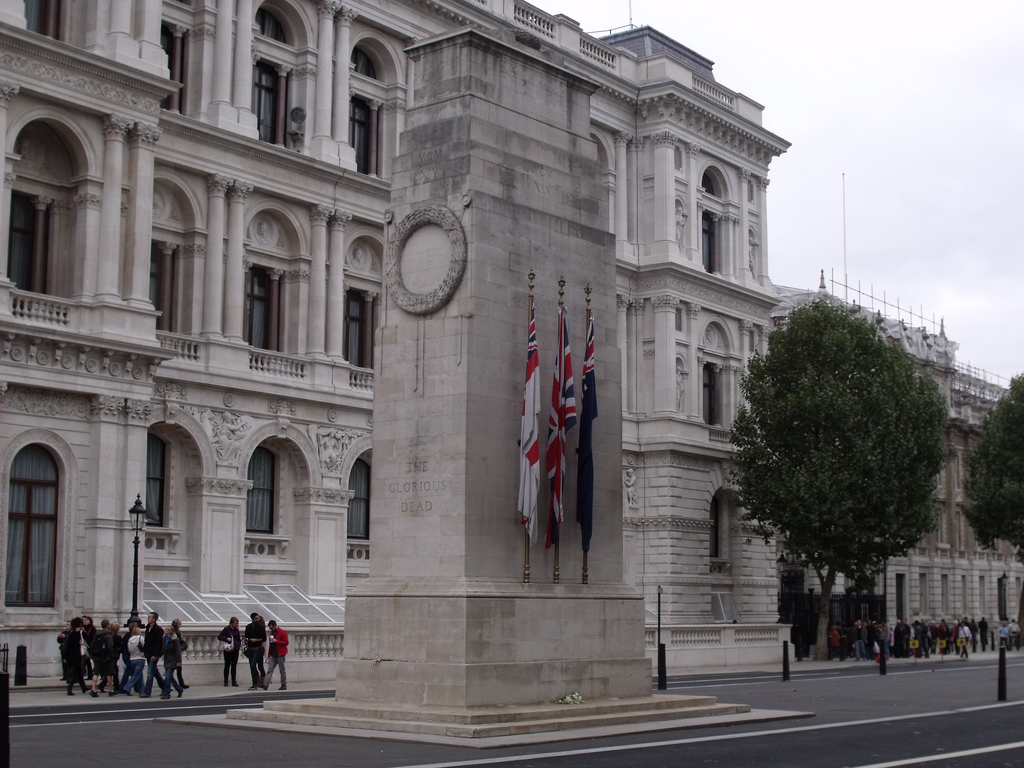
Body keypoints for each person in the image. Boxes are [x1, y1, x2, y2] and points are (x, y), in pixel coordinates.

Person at [89, 619, 118, 697]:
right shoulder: (108, 635)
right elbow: (110, 647)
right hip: (106, 657)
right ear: (108, 625)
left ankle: (93, 689)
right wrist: (111, 656)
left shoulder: (97, 634)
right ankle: (110, 690)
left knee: (96, 673)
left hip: (97, 656)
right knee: (109, 674)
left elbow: (92, 645)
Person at [61, 617, 89, 696]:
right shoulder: (80, 632)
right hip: (77, 655)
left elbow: (68, 646)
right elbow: (88, 639)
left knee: (79, 672)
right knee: (74, 672)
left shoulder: (72, 633)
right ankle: (69, 688)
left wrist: (66, 657)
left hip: (72, 655)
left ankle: (83, 687)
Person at [141, 611, 165, 698]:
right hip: (148, 653)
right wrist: (144, 651)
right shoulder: (148, 628)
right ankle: (165, 687)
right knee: (154, 672)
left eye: (150, 617)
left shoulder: (158, 630)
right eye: (148, 617)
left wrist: (156, 654)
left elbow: (159, 643)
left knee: (150, 673)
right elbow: (146, 641)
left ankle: (147, 691)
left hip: (154, 654)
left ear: (154, 619)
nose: (148, 618)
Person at [160, 626, 185, 700]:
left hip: (173, 660)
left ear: (170, 631)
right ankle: (179, 689)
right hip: (166, 660)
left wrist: (179, 662)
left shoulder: (175, 639)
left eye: (166, 630)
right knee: (170, 677)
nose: (165, 631)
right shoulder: (164, 639)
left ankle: (166, 693)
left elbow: (178, 651)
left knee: (167, 677)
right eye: (165, 629)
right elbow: (163, 650)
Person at [120, 624, 146, 695]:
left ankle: (141, 690)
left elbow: (129, 650)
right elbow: (144, 646)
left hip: (132, 658)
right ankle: (127, 687)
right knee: (136, 675)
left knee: (139, 675)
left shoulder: (130, 639)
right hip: (140, 658)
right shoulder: (140, 638)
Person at [244, 612, 267, 690]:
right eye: (256, 618)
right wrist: (246, 640)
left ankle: (262, 681)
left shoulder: (261, 627)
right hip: (251, 649)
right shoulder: (248, 627)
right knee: (252, 666)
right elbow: (246, 636)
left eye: (258, 618)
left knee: (257, 665)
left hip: (258, 648)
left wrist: (256, 640)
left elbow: (264, 639)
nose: (258, 619)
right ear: (252, 619)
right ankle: (255, 682)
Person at [265, 620, 289, 690]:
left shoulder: (282, 632)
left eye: (272, 628)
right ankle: (266, 684)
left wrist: (277, 641)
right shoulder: (271, 634)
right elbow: (271, 646)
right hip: (273, 654)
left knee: (282, 670)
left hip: (280, 654)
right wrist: (269, 655)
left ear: (275, 626)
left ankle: (283, 684)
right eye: (270, 628)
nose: (271, 630)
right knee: (270, 669)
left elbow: (286, 642)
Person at [218, 617, 242, 687]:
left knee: (234, 666)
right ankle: (226, 681)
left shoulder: (237, 630)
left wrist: (238, 645)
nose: (237, 625)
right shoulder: (226, 629)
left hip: (235, 649)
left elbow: (238, 638)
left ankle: (233, 681)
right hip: (228, 650)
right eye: (235, 623)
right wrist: (226, 639)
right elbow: (219, 637)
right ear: (231, 623)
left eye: (237, 623)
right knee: (227, 665)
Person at [170, 618, 190, 689]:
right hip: (176, 654)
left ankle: (169, 685)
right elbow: (182, 644)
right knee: (178, 670)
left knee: (170, 671)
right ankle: (180, 684)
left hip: (171, 654)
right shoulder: (178, 633)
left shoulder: (171, 631)